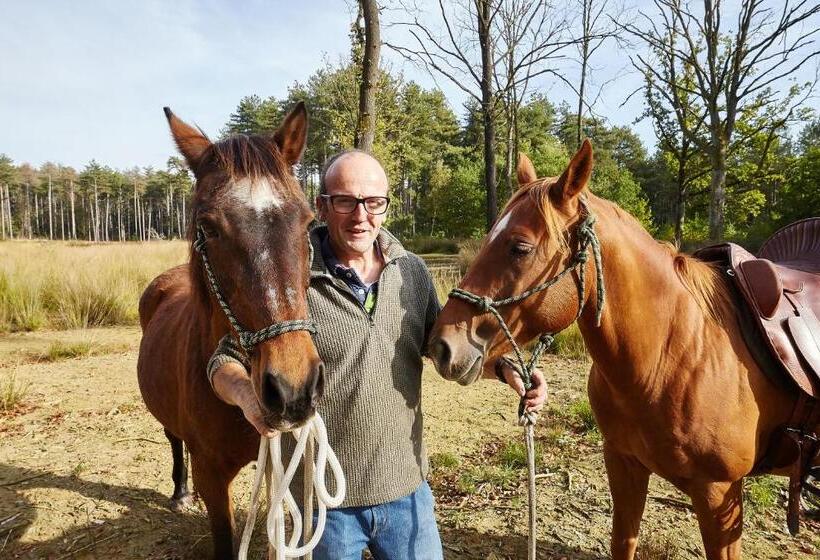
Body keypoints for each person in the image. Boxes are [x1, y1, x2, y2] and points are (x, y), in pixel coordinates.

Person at [207, 149, 546, 559]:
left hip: (406, 491)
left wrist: (509, 370)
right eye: (346, 201)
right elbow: (223, 359)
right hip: (322, 503)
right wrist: (245, 396)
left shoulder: (412, 272)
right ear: (322, 206)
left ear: (386, 206)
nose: (360, 215)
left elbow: (441, 350)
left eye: (373, 202)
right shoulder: (292, 277)